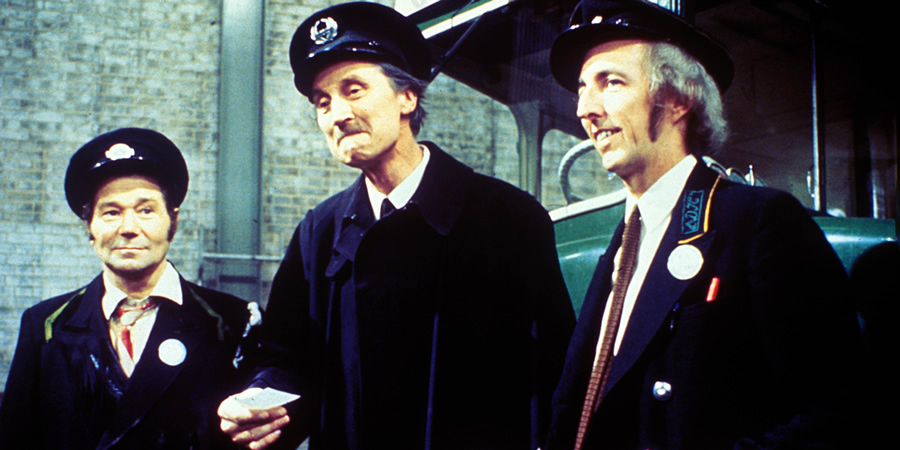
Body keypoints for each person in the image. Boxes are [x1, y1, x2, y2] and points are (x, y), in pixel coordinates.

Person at [217, 2, 575, 449]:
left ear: (408, 97)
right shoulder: (319, 233)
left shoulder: (507, 219)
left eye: (354, 89)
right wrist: (260, 398)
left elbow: (557, 375)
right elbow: (287, 355)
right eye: (322, 102)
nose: (337, 114)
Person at [544, 1, 861, 449]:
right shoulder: (624, 241)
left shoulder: (757, 223)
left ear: (678, 100)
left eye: (611, 83)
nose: (585, 110)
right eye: (581, 89)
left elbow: (833, 413)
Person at [0, 128, 253, 449]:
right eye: (111, 212)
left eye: (146, 210)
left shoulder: (229, 321)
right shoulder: (45, 325)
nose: (129, 228)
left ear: (173, 221)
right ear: (89, 226)